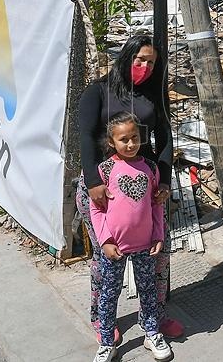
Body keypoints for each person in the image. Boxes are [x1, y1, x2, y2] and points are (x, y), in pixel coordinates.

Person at [76, 35, 182, 341]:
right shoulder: (98, 92)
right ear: (126, 57)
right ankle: (102, 318)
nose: (145, 67)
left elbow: (165, 138)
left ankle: (155, 315)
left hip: (145, 187)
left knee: (156, 255)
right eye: (140, 60)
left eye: (151, 62)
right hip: (104, 191)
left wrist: (163, 180)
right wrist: (94, 182)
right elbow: (84, 137)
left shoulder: (153, 95)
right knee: (106, 255)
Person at [89, 113, 171, 362]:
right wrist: (105, 241)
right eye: (123, 139)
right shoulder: (105, 170)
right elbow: (96, 209)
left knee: (148, 291)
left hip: (145, 245)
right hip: (115, 248)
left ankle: (151, 332)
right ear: (112, 142)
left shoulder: (150, 167)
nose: (130, 143)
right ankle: (106, 342)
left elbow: (157, 205)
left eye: (134, 137)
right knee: (109, 294)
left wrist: (158, 235)